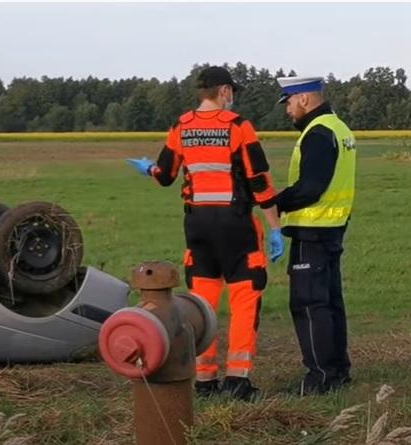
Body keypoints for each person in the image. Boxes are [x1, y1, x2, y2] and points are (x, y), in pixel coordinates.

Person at [126, 66, 284, 401]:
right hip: (235, 225)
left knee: (202, 302)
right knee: (245, 299)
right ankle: (238, 380)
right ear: (224, 91)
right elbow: (259, 180)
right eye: (233, 92)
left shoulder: (181, 126)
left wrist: (148, 170)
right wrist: (274, 228)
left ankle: (205, 380)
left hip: (197, 226)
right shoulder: (239, 127)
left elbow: (166, 175)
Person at [273, 76, 356, 396]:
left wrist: (274, 202)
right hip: (332, 226)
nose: (288, 110)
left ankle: (320, 376)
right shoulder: (340, 128)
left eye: (289, 102)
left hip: (314, 229)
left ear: (305, 99)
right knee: (331, 302)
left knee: (309, 304)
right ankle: (337, 371)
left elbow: (310, 188)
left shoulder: (318, 133)